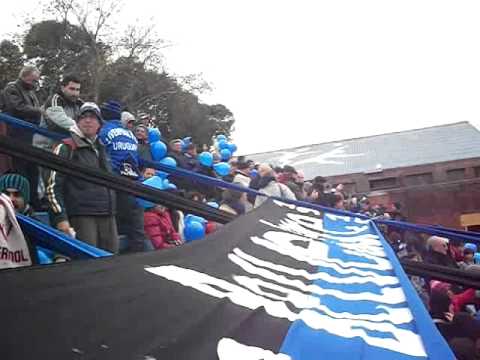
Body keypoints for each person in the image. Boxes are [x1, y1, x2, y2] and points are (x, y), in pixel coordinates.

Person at [46, 103, 118, 253]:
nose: (88, 121)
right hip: (82, 216)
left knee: (113, 265)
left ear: (99, 123)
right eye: (83, 117)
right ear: (77, 121)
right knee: (87, 265)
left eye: (92, 117)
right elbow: (52, 187)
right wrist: (61, 218)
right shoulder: (66, 147)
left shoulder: (103, 149)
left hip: (108, 215)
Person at [99, 100, 146, 252]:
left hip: (115, 182)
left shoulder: (104, 131)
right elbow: (136, 159)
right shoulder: (131, 136)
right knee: (137, 229)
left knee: (117, 227)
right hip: (134, 183)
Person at [2, 66, 42, 209]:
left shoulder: (31, 92)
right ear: (25, 76)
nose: (35, 83)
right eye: (34, 80)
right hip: (16, 135)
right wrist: (39, 111)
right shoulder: (11, 88)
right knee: (21, 170)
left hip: (29, 136)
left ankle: (34, 201)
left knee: (33, 170)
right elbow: (16, 108)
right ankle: (25, 202)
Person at [33, 74, 82, 152]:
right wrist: (84, 130)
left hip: (63, 147)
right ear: (63, 88)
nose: (75, 93)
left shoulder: (78, 103)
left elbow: (90, 115)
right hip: (45, 147)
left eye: (77, 90)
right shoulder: (54, 99)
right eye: (72, 89)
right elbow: (61, 120)